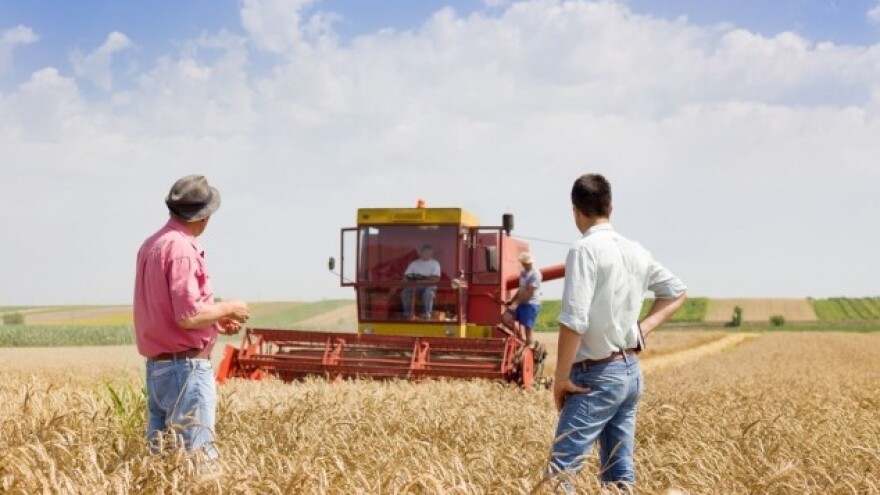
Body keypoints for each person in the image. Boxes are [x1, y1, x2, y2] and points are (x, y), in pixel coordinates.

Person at [549, 173, 687, 491]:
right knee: (618, 474)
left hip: (594, 377)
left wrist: (560, 378)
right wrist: (643, 329)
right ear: (610, 206)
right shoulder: (635, 250)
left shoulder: (584, 250)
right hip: (629, 374)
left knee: (560, 475)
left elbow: (574, 319)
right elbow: (677, 291)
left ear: (575, 210)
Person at [133, 175, 250, 462]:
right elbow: (188, 316)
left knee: (162, 465)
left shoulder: (152, 244)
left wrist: (214, 320)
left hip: (158, 371)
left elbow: (169, 310)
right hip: (185, 370)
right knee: (198, 464)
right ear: (204, 216)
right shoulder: (183, 249)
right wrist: (229, 307)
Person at [505, 252, 542, 343]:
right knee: (505, 319)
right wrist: (512, 300)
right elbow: (521, 289)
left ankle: (529, 348)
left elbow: (529, 293)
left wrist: (516, 303)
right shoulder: (523, 273)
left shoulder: (535, 274)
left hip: (530, 304)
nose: (525, 264)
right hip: (521, 302)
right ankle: (520, 338)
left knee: (528, 329)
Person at [401, 244, 442, 319]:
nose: (428, 255)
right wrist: (427, 278)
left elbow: (435, 279)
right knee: (404, 293)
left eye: (430, 253)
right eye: (426, 253)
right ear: (421, 253)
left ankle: (427, 313)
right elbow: (406, 278)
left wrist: (417, 277)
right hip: (415, 286)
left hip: (429, 287)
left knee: (429, 293)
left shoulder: (435, 263)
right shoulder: (414, 263)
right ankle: (407, 314)